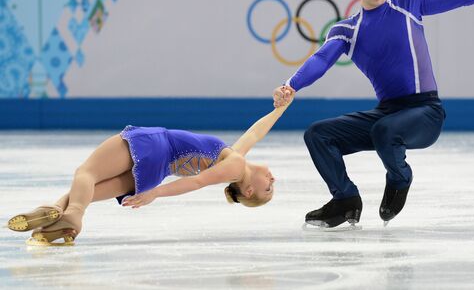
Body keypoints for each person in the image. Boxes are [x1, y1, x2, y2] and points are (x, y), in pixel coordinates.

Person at [273, 0, 474, 228]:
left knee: (384, 130)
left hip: (426, 112)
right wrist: (291, 86)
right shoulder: (347, 30)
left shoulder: (408, 6)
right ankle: (345, 199)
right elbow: (321, 59)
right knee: (318, 135)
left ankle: (400, 178)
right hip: (388, 113)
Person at [7, 93, 294, 245]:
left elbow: (196, 183)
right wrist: (280, 109)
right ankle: (56, 214)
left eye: (269, 188)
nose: (273, 178)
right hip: (156, 169)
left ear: (248, 190)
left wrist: (156, 193)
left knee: (86, 174)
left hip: (157, 145)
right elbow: (256, 133)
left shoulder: (233, 166)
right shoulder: (236, 160)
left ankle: (72, 217)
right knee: (86, 192)